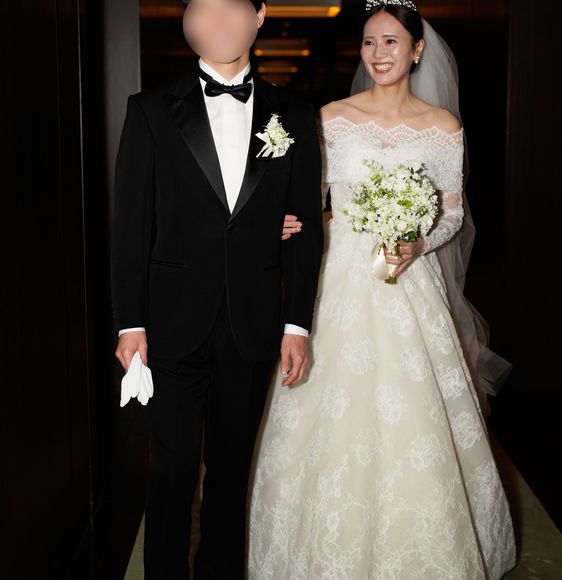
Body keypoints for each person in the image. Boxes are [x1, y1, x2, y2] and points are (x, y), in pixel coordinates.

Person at [248, 1, 517, 577]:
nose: (379, 53)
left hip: (409, 283)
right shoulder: (331, 118)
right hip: (339, 280)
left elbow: (451, 213)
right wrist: (287, 219)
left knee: (414, 416)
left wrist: (418, 243)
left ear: (416, 50)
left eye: (391, 41)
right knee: (328, 409)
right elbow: (312, 199)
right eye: (370, 42)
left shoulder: (442, 127)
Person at [110, 0, 323, 576]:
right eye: (202, 9)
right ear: (186, 19)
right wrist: (130, 321)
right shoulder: (150, 109)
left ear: (259, 15)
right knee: (172, 472)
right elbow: (130, 226)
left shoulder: (294, 114)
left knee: (231, 474)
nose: (217, 22)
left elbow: (305, 228)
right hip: (172, 323)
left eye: (230, 8)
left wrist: (296, 324)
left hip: (253, 321)